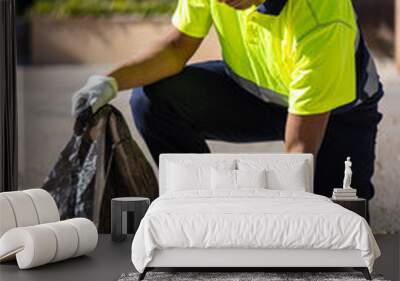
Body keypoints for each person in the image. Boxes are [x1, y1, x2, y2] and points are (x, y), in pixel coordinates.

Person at [72, 0, 383, 215]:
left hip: (336, 113)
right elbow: (176, 47)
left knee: (337, 223)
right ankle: (199, 208)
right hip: (252, 95)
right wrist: (108, 82)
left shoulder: (322, 15)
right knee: (152, 100)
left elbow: (300, 148)